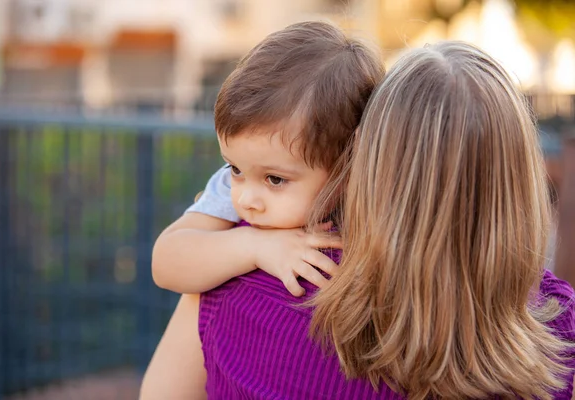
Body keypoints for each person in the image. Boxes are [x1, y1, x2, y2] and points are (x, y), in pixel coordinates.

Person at [197, 42, 575, 399]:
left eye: (274, 179)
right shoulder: (558, 331)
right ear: (519, 176)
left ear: (360, 151)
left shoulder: (237, 270)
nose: (246, 195)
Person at [139, 21, 385, 399]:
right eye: (235, 167)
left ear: (346, 168)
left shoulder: (371, 210)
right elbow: (166, 261)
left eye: (274, 180)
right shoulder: (231, 191)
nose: (248, 198)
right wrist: (255, 246)